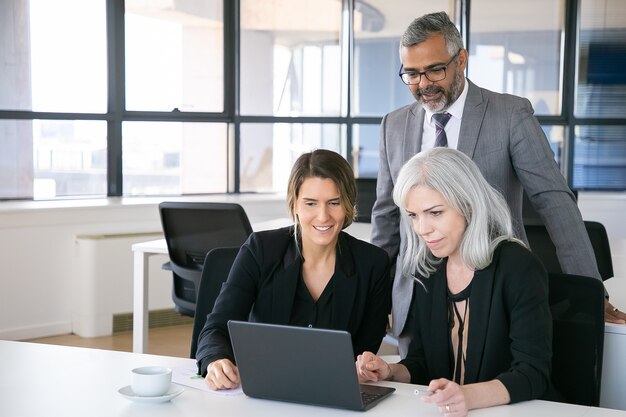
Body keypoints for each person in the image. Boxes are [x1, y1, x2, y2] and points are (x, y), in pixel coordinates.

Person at [371, 11, 625, 356]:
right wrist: (373, 297)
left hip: (492, 290)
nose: (423, 84)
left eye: (434, 70)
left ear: (461, 60)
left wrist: (593, 293)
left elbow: (554, 201)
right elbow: (386, 217)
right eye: (412, 74)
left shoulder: (509, 115)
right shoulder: (394, 125)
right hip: (417, 294)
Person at [358, 147, 553, 416]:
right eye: (414, 215)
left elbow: (533, 374)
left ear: (467, 204)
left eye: (435, 212)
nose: (422, 228)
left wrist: (467, 396)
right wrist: (390, 371)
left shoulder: (518, 267)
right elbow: (423, 362)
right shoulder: (430, 269)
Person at [196, 149, 391, 390]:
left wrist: (363, 367)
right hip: (262, 388)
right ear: (295, 204)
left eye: (334, 202)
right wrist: (216, 360)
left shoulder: (373, 264)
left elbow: (365, 351)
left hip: (333, 392)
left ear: (348, 204)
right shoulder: (261, 250)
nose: (323, 216)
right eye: (310, 203)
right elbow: (215, 328)